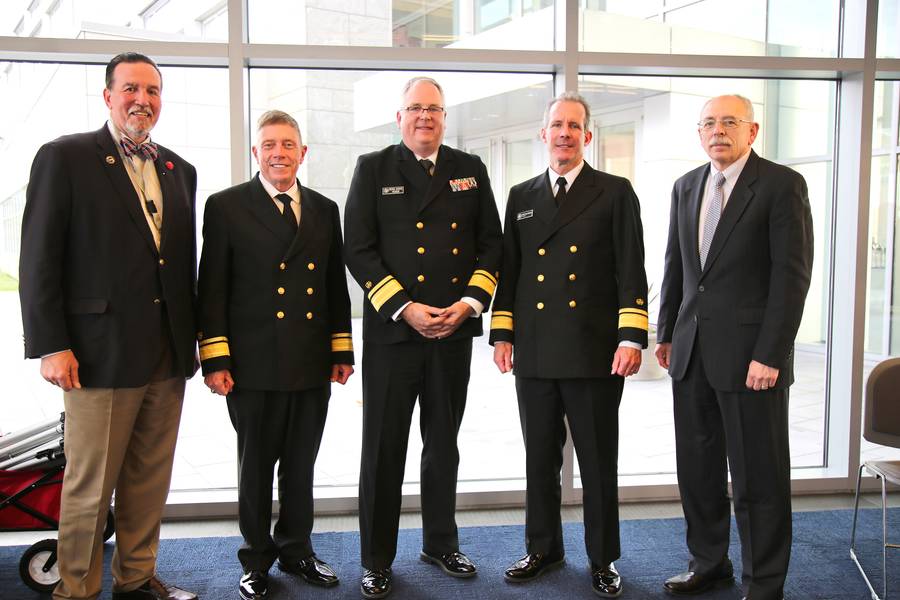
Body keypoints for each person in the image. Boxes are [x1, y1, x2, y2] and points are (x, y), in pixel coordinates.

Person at [19, 53, 198, 600]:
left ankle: (137, 580)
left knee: (147, 483)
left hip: (166, 356)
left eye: (153, 90)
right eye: (130, 89)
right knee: (89, 488)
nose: (142, 99)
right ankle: (75, 589)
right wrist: (52, 345)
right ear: (107, 95)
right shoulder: (65, 157)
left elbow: (180, 264)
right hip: (97, 355)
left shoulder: (179, 169)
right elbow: (39, 258)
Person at [343, 76, 503, 599]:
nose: (424, 118)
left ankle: (441, 542)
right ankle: (376, 559)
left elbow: (491, 246)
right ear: (399, 117)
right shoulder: (373, 168)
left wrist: (469, 305)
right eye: (415, 109)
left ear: (444, 117)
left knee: (443, 445)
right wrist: (405, 308)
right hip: (394, 335)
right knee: (383, 449)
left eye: (433, 109)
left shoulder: (470, 169)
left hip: (452, 333)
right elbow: (358, 249)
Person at [489, 91, 648, 598]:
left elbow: (631, 268)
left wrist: (631, 336)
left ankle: (602, 559)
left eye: (573, 125)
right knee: (539, 456)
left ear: (588, 136)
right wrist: (503, 334)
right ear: (543, 134)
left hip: (595, 349)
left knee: (599, 459)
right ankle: (543, 548)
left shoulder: (615, 191)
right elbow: (508, 272)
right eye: (556, 124)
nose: (564, 133)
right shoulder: (521, 195)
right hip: (535, 350)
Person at [655, 94, 813, 600]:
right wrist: (665, 333)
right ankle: (709, 562)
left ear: (753, 130)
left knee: (757, 478)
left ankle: (764, 582)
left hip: (752, 361)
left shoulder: (781, 185)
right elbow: (677, 266)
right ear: (699, 133)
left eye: (729, 122)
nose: (717, 130)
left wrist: (771, 354)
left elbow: (791, 278)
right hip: (691, 352)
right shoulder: (686, 186)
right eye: (708, 123)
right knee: (697, 472)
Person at [197, 110, 354, 600]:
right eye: (269, 145)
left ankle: (297, 550)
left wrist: (340, 348)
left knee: (302, 464)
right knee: (256, 467)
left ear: (302, 153)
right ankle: (256, 559)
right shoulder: (225, 207)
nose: (279, 153)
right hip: (252, 364)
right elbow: (212, 291)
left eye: (288, 145)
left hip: (309, 361)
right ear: (255, 153)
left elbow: (334, 286)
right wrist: (216, 360)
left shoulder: (325, 209)